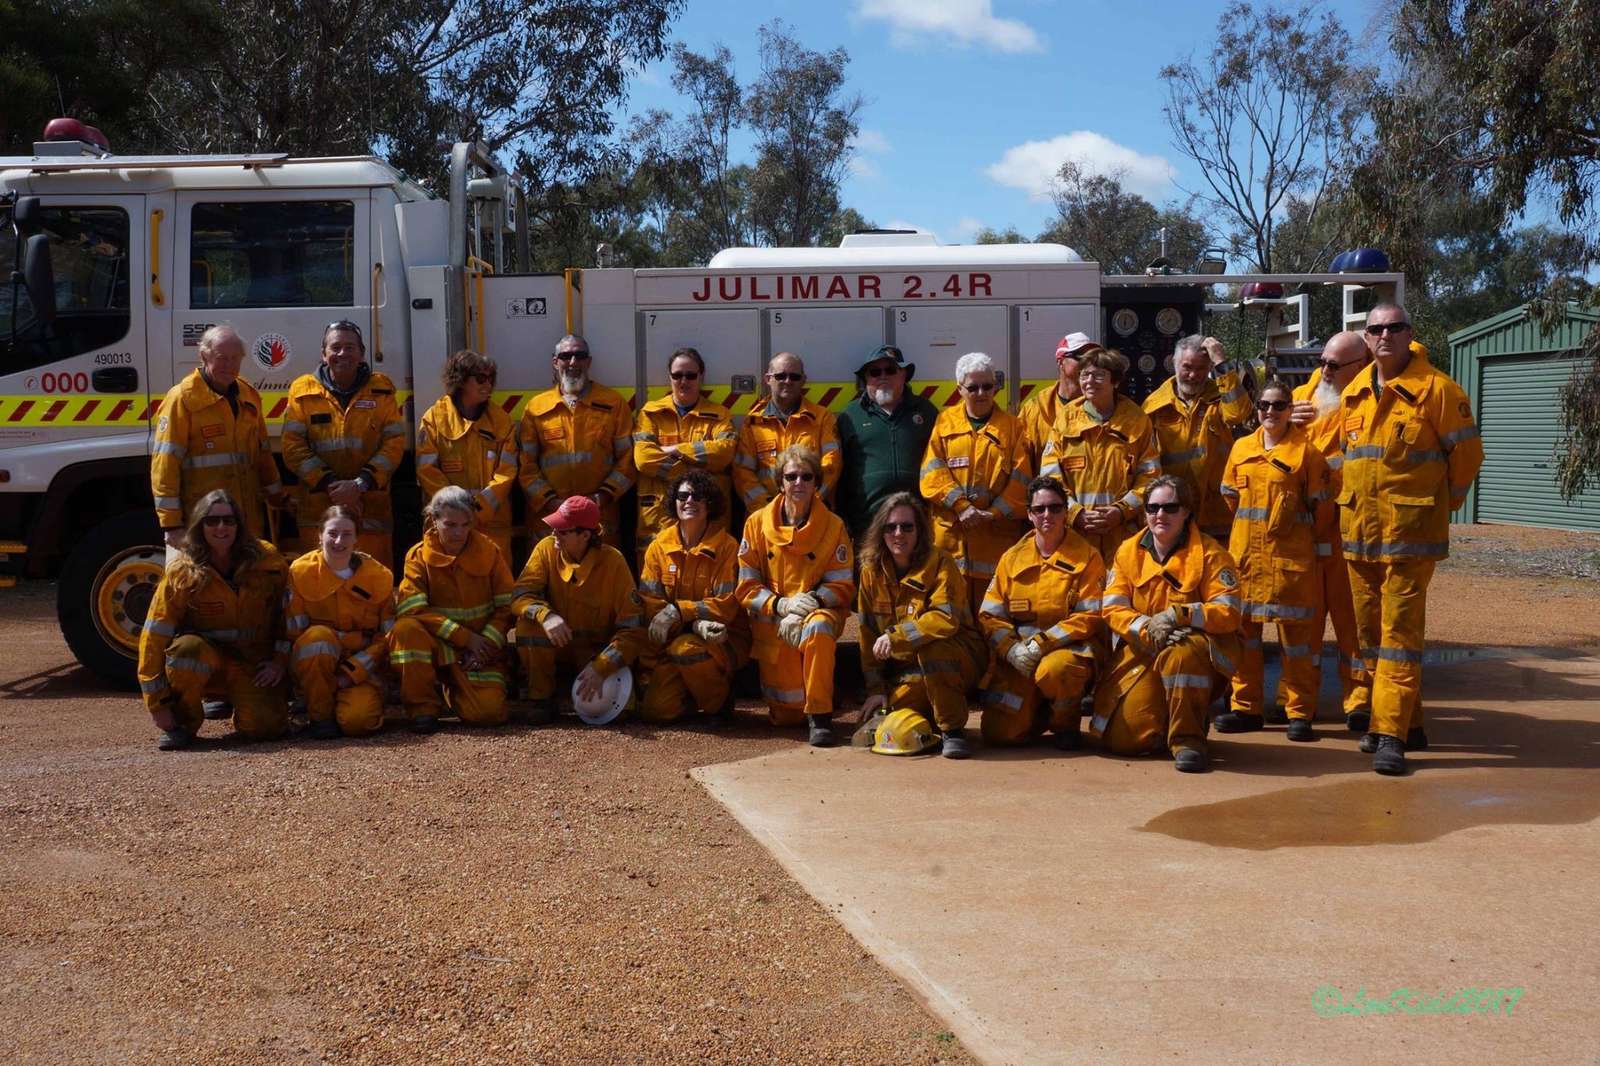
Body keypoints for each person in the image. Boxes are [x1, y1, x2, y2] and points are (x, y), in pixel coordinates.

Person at [1338, 303, 1483, 775]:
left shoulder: (1437, 391)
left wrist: (1444, 504)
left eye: (1394, 328)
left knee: (1398, 637)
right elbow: (1349, 458)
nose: (1384, 336)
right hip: (1360, 536)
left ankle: (1389, 734)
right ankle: (1412, 722)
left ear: (1409, 333)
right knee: (1371, 638)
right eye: (1375, 329)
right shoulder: (1355, 393)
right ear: (1367, 337)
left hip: (1409, 538)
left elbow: (1467, 456)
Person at [1095, 475, 1242, 773]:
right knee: (1124, 740)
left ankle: (1189, 740)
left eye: (1170, 507)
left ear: (1186, 511)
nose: (1160, 515)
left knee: (1181, 655)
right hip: (1146, 645)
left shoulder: (1212, 555)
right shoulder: (1127, 552)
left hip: (1198, 650)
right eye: (1152, 507)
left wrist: (1180, 616)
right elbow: (1112, 607)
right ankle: (1169, 718)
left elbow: (1228, 611)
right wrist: (1147, 628)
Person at [1214, 380, 1334, 741]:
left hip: (1289, 561)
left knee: (1296, 642)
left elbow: (1322, 510)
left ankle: (1299, 712)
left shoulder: (1306, 454)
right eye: (1264, 405)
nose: (1270, 411)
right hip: (1247, 560)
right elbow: (1229, 496)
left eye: (1279, 405)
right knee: (1244, 638)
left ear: (1289, 409)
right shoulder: (1241, 449)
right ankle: (1245, 708)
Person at [136, 489, 289, 749]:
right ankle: (183, 724)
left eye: (229, 520)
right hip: (206, 663)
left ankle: (246, 704)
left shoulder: (268, 562)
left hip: (252, 666)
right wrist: (157, 705)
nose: (221, 527)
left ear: (239, 525)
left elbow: (287, 616)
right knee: (186, 650)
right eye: (212, 520)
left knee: (266, 727)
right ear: (200, 525)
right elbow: (154, 636)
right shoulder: (182, 572)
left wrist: (279, 662)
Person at [736, 445, 855, 746]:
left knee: (818, 627)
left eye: (807, 476)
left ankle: (821, 717)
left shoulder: (834, 526)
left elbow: (841, 584)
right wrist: (781, 605)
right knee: (787, 716)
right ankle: (821, 690)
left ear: (817, 482)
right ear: (780, 482)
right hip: (775, 621)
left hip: (817, 610)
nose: (799, 483)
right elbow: (746, 586)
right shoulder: (756, 525)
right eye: (791, 476)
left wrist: (810, 602)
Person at [856, 493, 989, 759]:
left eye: (907, 527)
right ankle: (924, 709)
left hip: (958, 654)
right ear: (880, 532)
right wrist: (876, 690)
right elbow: (867, 633)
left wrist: (896, 636)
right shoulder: (871, 571)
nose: (898, 533)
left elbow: (944, 619)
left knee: (934, 649)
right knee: (891, 710)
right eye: (890, 527)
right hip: (908, 668)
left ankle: (952, 731)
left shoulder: (941, 563)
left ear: (920, 531)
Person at [977, 477, 1106, 750]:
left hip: (1068, 652)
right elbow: (990, 614)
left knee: (1055, 671)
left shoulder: (1087, 557)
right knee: (1000, 734)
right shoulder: (1011, 558)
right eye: (1040, 509)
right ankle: (1037, 713)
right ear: (1029, 514)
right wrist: (1010, 650)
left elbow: (1090, 616)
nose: (1047, 515)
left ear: (1065, 511)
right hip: (1021, 654)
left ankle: (1065, 724)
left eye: (1056, 508)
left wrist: (1042, 644)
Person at [1288, 330, 1374, 730]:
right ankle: (1296, 705)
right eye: (1321, 360)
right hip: (1304, 533)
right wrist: (1287, 421)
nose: (1324, 370)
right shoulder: (1303, 397)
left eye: (1334, 365)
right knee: (1302, 624)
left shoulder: (1373, 400)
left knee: (1351, 622)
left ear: (1360, 366)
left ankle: (1358, 701)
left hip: (1347, 531)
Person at [390, 486, 517, 732]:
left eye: (465, 524)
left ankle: (455, 690)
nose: (459, 532)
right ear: (433, 520)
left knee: (488, 714)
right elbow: (411, 609)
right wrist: (464, 638)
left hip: (479, 652)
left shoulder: (490, 552)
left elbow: (506, 607)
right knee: (405, 630)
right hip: (440, 647)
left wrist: (483, 646)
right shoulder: (417, 557)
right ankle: (422, 709)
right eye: (450, 524)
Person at [511, 495, 645, 722]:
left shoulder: (614, 562)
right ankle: (540, 698)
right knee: (527, 624)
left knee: (623, 712)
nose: (554, 534)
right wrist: (546, 615)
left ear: (585, 535)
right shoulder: (545, 549)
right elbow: (520, 595)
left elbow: (633, 630)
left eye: (562, 531)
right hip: (558, 648)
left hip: (595, 654)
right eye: (555, 527)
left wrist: (602, 666)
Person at [281, 321, 405, 567]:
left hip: (370, 510)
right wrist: (332, 487)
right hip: (319, 509)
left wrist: (360, 485)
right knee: (317, 581)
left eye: (350, 347)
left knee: (372, 582)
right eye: (335, 347)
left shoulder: (382, 389)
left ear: (361, 353)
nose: (342, 354)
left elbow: (394, 442)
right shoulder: (301, 389)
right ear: (323, 354)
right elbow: (292, 447)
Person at [151, 325, 284, 546]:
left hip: (247, 522)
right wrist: (171, 525)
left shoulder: (249, 395)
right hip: (205, 524)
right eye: (222, 358)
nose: (229, 365)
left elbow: (263, 455)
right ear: (203, 356)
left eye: (235, 358)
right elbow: (165, 465)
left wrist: (278, 497)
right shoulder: (182, 400)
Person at [637, 470, 752, 724]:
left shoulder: (727, 547)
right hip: (675, 637)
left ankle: (719, 703)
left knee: (685, 649)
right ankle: (692, 693)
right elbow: (651, 603)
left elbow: (726, 606)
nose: (690, 501)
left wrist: (680, 612)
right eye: (683, 496)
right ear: (674, 502)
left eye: (698, 496)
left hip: (724, 639)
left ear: (709, 504)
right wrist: (684, 621)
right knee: (657, 710)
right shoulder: (658, 547)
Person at [920, 351, 1033, 608]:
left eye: (987, 386)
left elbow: (1021, 481)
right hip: (951, 542)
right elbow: (931, 475)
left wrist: (991, 514)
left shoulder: (1013, 428)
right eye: (973, 387)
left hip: (996, 541)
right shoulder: (944, 423)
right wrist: (962, 507)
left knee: (992, 616)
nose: (981, 393)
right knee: (949, 616)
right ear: (960, 389)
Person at [1040, 347, 1162, 562]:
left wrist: (1121, 511)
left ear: (1115, 382)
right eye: (1084, 375)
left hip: (1123, 536)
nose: (1089, 381)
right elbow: (1050, 476)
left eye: (1099, 376)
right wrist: (1075, 513)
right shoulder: (1065, 419)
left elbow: (1150, 476)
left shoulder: (1136, 420)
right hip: (1075, 534)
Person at [285, 505, 396, 739]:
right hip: (315, 668)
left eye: (346, 534)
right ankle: (320, 717)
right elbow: (296, 632)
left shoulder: (379, 577)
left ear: (357, 538)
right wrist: (351, 639)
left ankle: (341, 703)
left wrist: (349, 675)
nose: (338, 541)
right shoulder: (299, 572)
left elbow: (387, 637)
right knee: (318, 639)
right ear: (319, 535)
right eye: (332, 533)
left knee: (359, 721)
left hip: (361, 670)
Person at [517, 334, 636, 549]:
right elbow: (526, 466)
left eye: (579, 356)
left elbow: (628, 461)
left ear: (588, 362)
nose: (573, 362)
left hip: (600, 517)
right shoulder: (535, 408)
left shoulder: (613, 403)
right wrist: (552, 502)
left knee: (600, 577)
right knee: (550, 578)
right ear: (555, 362)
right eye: (566, 356)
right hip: (549, 518)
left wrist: (602, 497)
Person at [1142, 335, 1253, 542]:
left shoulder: (1221, 396)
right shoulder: (1154, 406)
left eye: (1201, 368)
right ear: (1173, 363)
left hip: (1217, 515)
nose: (1193, 375)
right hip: (1172, 515)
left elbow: (1239, 413)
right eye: (1187, 367)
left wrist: (1221, 363)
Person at [416, 349, 519, 563]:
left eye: (491, 379)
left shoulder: (501, 421)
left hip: (491, 525)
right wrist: (455, 511)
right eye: (480, 378)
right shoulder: (434, 419)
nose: (487, 384)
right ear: (461, 380)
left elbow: (506, 472)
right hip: (447, 526)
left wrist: (479, 508)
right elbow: (426, 471)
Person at [633, 347, 738, 556]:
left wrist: (677, 450)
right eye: (677, 375)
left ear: (701, 376)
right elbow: (644, 459)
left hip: (707, 521)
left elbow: (725, 453)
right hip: (660, 520)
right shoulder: (651, 413)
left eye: (690, 375)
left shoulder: (719, 414)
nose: (684, 381)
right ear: (669, 377)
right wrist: (697, 473)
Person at [835, 344, 939, 538]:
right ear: (866, 379)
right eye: (874, 372)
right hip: (865, 527)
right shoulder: (850, 416)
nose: (882, 376)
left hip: (916, 527)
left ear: (904, 375)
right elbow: (838, 474)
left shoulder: (926, 411)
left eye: (891, 370)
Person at [733, 353, 842, 512]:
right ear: (768, 379)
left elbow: (832, 465)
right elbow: (742, 472)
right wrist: (768, 509)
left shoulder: (822, 418)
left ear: (803, 380)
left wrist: (808, 502)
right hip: (765, 516)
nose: (787, 381)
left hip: (813, 514)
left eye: (794, 377)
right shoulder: (752, 423)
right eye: (780, 376)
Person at [1018, 331, 1095, 471]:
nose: (1087, 364)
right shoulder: (1035, 410)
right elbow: (1020, 461)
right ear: (1060, 361)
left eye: (1091, 359)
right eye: (1080, 357)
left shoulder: (1100, 405)